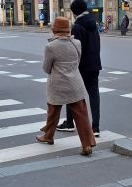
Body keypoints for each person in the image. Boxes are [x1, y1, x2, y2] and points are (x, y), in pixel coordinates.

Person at [36, 17, 95, 156]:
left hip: (57, 84)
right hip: (75, 83)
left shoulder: (51, 46)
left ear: (54, 29)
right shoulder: (77, 43)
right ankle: (86, 145)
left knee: (53, 112)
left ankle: (48, 136)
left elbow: (46, 68)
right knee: (82, 116)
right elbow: (77, 62)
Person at [56, 0, 101, 136]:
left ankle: (70, 123)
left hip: (81, 67)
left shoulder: (78, 26)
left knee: (72, 93)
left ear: (74, 12)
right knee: (94, 95)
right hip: (95, 64)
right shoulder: (93, 24)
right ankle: (96, 127)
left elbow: (76, 49)